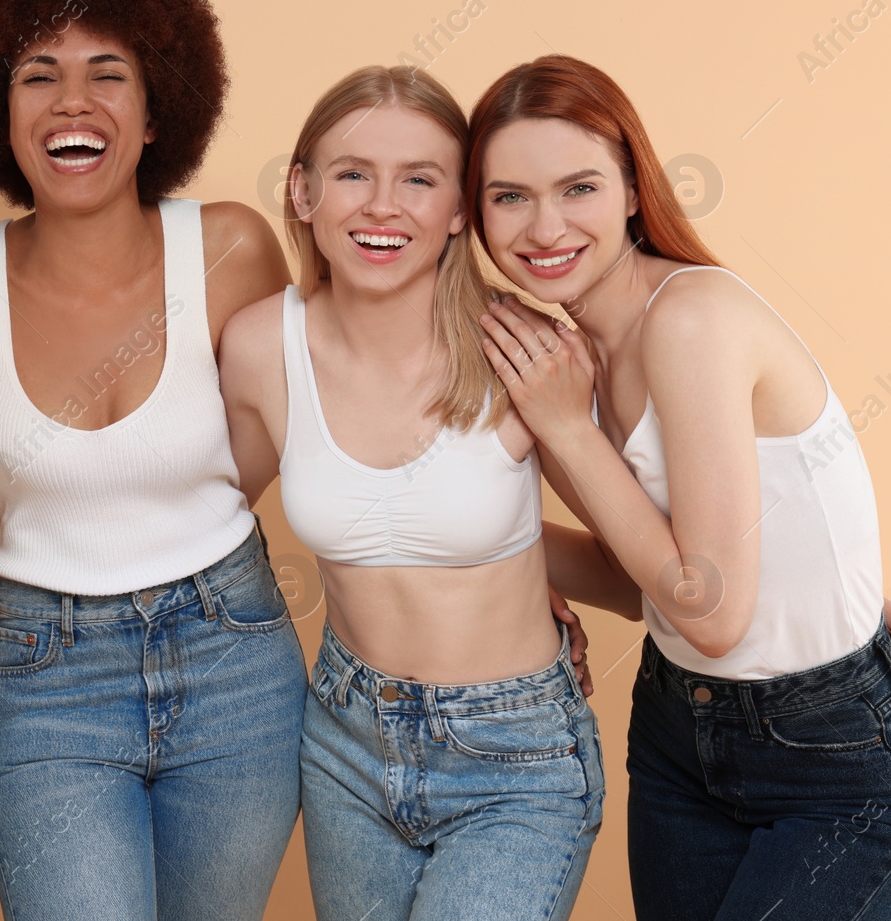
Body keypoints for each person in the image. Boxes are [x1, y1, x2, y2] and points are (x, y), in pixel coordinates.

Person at [0, 0, 306, 920]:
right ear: (1, 111)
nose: (72, 101)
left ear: (154, 107)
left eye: (107, 73)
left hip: (236, 654)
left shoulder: (230, 248)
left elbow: (314, 442)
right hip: (49, 674)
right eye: (37, 74)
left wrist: (505, 582)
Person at [472, 54, 891, 920]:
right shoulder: (570, 362)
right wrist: (473, 546)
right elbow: (644, 583)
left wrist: (564, 429)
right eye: (508, 195)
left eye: (577, 187)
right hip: (676, 726)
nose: (543, 226)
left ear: (632, 189)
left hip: (832, 744)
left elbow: (711, 606)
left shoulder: (692, 319)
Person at [218, 65, 613, 920]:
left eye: (420, 180)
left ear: (460, 209)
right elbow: (204, 517)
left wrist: (509, 556)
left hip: (516, 753)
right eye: (354, 173)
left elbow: (635, 569)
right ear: (303, 191)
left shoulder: (526, 350)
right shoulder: (260, 347)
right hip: (345, 738)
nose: (381, 206)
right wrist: (14, 524)